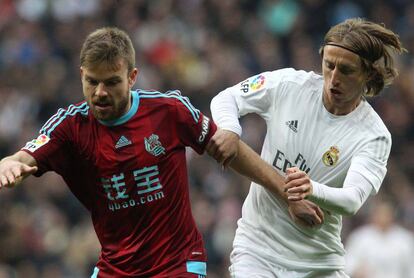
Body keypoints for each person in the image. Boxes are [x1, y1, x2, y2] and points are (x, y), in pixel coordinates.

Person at [0, 27, 323, 277]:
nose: (100, 93)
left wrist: (286, 193)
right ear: (82, 75)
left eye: (112, 82)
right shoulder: (70, 127)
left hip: (177, 264)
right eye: (92, 82)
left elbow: (230, 149)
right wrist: (8, 166)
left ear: (132, 77)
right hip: (115, 267)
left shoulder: (168, 110)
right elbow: (19, 158)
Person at [209, 18, 406, 277]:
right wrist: (230, 128)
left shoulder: (374, 135)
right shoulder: (289, 86)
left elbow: (352, 200)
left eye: (346, 70)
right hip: (257, 252)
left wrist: (310, 189)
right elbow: (227, 97)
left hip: (318, 265)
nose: (333, 78)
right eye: (329, 65)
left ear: (367, 74)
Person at [345, 198, 414, 278]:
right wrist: (356, 271)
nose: (383, 217)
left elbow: (411, 267)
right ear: (374, 214)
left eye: (386, 213)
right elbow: (348, 263)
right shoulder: (359, 237)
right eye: (380, 213)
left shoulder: (405, 239)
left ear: (392, 215)